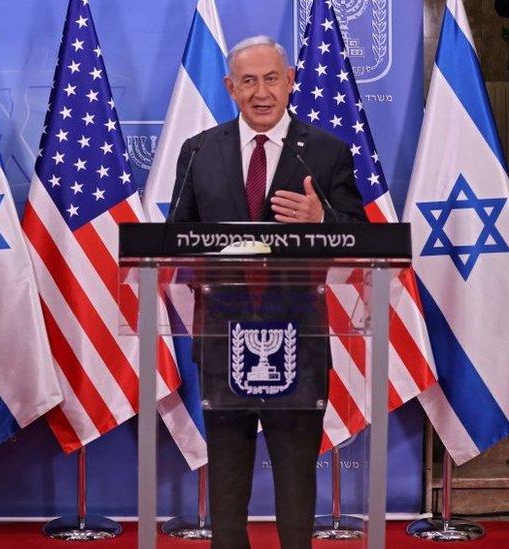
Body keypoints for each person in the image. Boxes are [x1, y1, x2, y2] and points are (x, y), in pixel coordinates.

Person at [167, 36, 366, 549]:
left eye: (271, 78)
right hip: (222, 335)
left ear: (291, 81)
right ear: (231, 88)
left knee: (296, 475)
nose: (261, 92)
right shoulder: (199, 150)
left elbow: (361, 237)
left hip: (298, 339)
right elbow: (175, 237)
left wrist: (320, 218)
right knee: (227, 478)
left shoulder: (327, 152)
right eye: (249, 81)